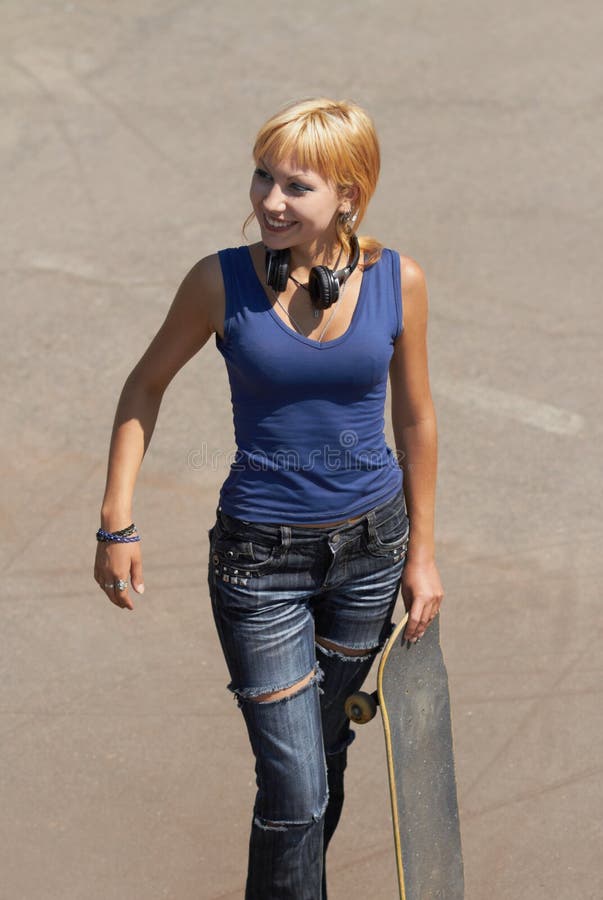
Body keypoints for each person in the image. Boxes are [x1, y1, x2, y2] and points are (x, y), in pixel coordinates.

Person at [94, 97, 444, 899]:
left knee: (322, 762)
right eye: (262, 177)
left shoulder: (400, 281)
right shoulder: (218, 282)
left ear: (348, 196)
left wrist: (421, 557)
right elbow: (144, 384)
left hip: (370, 553)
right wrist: (117, 519)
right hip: (261, 567)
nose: (269, 201)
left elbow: (417, 419)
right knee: (294, 792)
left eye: (296, 186)